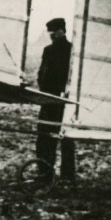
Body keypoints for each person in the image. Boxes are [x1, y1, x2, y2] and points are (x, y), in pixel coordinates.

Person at [35, 16, 78, 186]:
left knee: (54, 138)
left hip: (57, 101)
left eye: (54, 31)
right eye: (50, 32)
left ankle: (55, 175)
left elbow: (45, 76)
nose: (52, 35)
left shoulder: (60, 51)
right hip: (57, 100)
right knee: (56, 138)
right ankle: (57, 175)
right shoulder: (61, 50)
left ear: (61, 31)